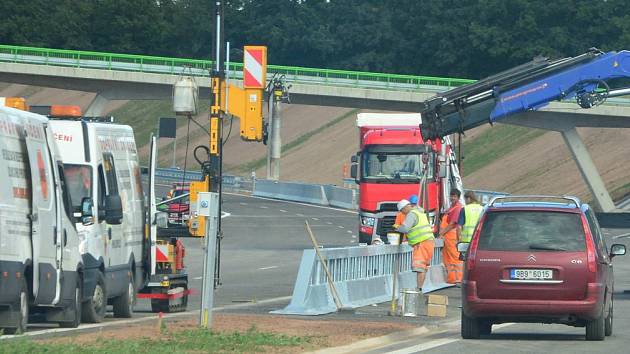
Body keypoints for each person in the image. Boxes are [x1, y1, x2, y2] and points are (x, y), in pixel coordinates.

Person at [395, 199, 435, 291]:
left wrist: (397, 228)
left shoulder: (411, 214)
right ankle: (420, 288)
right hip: (428, 242)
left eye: (402, 211)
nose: (403, 214)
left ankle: (418, 289)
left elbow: (405, 229)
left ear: (405, 208)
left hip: (421, 243)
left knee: (419, 267)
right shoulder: (419, 212)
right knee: (423, 266)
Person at [439, 188, 463, 285]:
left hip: (451, 236)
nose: (452, 198)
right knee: (447, 258)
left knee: (454, 258)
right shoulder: (451, 207)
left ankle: (458, 278)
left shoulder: (457, 208)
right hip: (447, 236)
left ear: (458, 197)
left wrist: (442, 233)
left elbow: (452, 224)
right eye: (451, 196)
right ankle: (451, 278)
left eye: (454, 196)